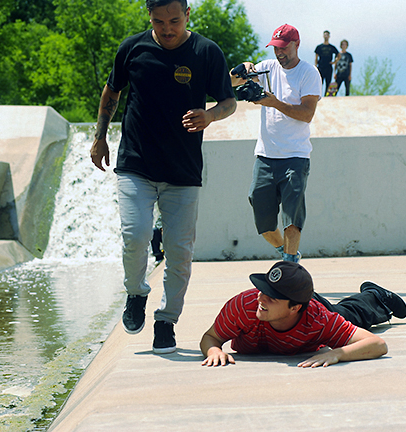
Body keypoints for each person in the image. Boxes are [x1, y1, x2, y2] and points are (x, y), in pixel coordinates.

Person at [89, 0, 236, 354]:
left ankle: (167, 321)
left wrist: (210, 116)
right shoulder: (133, 48)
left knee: (179, 253)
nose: (166, 29)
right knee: (135, 235)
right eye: (158, 21)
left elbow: (228, 102)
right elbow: (112, 91)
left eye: (173, 20)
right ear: (149, 17)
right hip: (136, 164)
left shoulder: (206, 52)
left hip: (183, 172)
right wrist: (99, 136)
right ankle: (136, 293)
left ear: (187, 15)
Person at [200, 261, 406, 368]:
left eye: (272, 297)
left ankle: (375, 295)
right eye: (263, 290)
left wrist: (336, 354)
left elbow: (378, 345)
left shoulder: (318, 319)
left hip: (312, 308)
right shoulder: (245, 305)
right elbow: (210, 337)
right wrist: (213, 351)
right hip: (298, 302)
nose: (261, 299)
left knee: (348, 314)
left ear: (294, 307)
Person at [230, 24, 322, 263]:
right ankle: (285, 251)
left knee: (292, 218)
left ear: (296, 45)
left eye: (283, 48)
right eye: (275, 48)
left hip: (295, 156)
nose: (279, 53)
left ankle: (291, 264)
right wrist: (242, 69)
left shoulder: (308, 73)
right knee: (264, 225)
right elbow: (232, 82)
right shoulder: (267, 67)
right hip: (265, 157)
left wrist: (274, 103)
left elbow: (307, 114)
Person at [314, 30, 340, 95]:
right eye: (325, 35)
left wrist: (334, 62)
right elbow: (316, 57)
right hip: (321, 66)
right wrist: (315, 66)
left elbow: (339, 55)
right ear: (323, 36)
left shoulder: (332, 47)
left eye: (327, 35)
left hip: (328, 67)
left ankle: (326, 96)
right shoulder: (319, 47)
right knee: (320, 82)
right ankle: (318, 95)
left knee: (328, 82)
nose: (326, 36)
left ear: (329, 36)